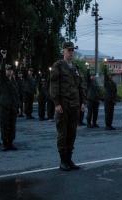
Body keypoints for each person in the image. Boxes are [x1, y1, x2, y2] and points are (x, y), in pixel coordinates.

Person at [50, 41, 86, 171]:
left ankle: (69, 160)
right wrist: (57, 103)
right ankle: (63, 161)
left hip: (74, 105)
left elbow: (80, 86)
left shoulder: (75, 68)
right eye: (69, 50)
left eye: (72, 50)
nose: (71, 52)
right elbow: (54, 85)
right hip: (63, 105)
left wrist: (83, 102)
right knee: (63, 133)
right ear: (63, 51)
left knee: (72, 133)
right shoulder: (58, 66)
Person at [0, 50, 19, 151]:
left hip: (13, 107)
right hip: (4, 106)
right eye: (7, 70)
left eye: (10, 70)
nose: (9, 71)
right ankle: (5, 143)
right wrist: (4, 58)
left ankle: (10, 142)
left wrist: (18, 106)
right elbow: (1, 71)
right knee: (4, 125)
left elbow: (16, 95)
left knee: (12, 125)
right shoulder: (3, 79)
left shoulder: (14, 82)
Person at [103, 64, 117, 130]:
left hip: (112, 100)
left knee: (111, 113)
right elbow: (105, 75)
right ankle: (107, 125)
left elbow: (115, 92)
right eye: (110, 75)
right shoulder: (106, 82)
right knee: (107, 113)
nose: (111, 77)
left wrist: (115, 99)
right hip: (107, 100)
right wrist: (105, 66)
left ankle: (110, 125)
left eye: (112, 76)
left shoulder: (113, 83)